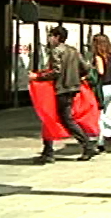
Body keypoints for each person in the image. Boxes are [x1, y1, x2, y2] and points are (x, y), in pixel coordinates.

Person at [30, 27, 96, 163]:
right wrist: (76, 78)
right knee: (51, 117)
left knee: (64, 119)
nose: (49, 39)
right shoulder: (73, 51)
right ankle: (47, 151)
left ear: (57, 37)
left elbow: (56, 71)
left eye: (51, 36)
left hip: (61, 89)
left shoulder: (56, 51)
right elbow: (85, 68)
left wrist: (38, 76)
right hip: (72, 88)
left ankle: (87, 145)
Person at [91, 34, 111, 150]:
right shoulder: (110, 56)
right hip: (110, 86)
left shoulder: (98, 57)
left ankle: (101, 141)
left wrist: (91, 70)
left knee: (101, 116)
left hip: (102, 87)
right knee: (104, 114)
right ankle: (105, 137)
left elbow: (100, 71)